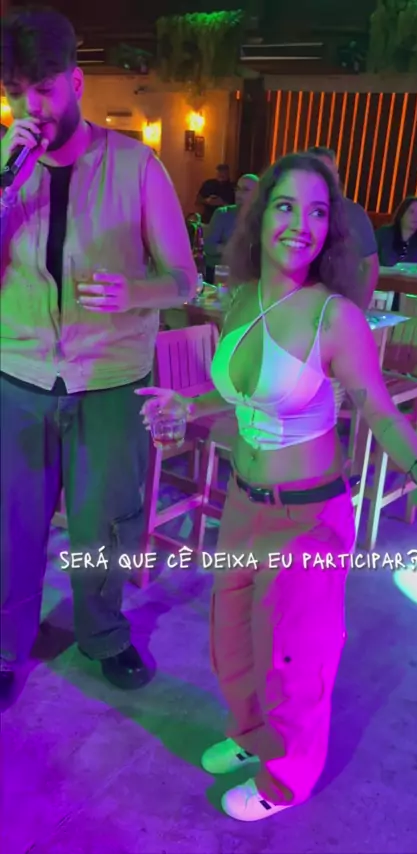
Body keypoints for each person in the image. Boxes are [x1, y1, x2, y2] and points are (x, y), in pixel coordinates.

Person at [138, 153, 417, 821]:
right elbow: (243, 393)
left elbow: (378, 408)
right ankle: (253, 734)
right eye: (287, 206)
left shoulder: (334, 317)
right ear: (260, 216)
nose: (301, 224)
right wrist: (188, 405)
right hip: (243, 502)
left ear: (331, 229)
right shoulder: (241, 298)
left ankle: (286, 778)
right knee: (232, 642)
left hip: (308, 517)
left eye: (318, 212)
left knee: (295, 658)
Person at [0, 8, 196, 703]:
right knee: (11, 525)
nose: (33, 106)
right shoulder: (5, 170)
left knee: (104, 526)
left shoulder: (136, 166)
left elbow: (184, 279)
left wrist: (134, 291)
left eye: (45, 87)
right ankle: (6, 643)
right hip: (18, 378)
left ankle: (104, 634)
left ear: (76, 81)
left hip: (112, 382)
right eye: (17, 91)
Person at [309, 146, 379, 307]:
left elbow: (371, 265)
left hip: (341, 304)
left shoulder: (354, 213)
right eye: (323, 172)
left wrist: (360, 308)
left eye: (333, 172)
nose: (330, 178)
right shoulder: (297, 213)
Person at [376, 195, 417, 310]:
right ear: (402, 214)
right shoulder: (383, 234)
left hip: (411, 296)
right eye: (411, 212)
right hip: (381, 292)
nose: (416, 217)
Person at [204, 173, 258, 282]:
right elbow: (208, 246)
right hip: (221, 274)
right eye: (237, 189)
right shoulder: (222, 214)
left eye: (245, 190)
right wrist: (230, 249)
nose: (239, 194)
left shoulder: (262, 218)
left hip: (250, 277)